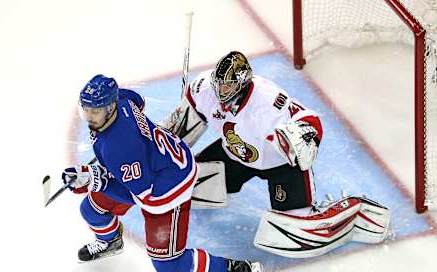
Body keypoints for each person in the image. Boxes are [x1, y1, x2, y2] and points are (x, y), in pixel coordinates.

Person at [162, 51, 391, 258]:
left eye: (228, 86)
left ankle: (354, 211)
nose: (221, 91)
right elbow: (176, 130)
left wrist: (301, 138)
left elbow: (309, 121)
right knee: (186, 182)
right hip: (234, 155)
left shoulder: (267, 102)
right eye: (219, 84)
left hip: (280, 166)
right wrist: (160, 151)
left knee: (293, 232)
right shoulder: (204, 89)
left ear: (242, 83)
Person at [61, 74, 262, 272]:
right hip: (157, 163)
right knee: (91, 210)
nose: (88, 117)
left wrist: (96, 181)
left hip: (167, 190)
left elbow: (139, 196)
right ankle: (110, 242)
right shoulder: (123, 102)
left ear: (110, 107)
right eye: (85, 109)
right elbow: (137, 101)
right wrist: (97, 175)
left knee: (169, 265)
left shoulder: (119, 148)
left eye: (94, 112)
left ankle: (236, 269)